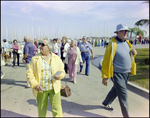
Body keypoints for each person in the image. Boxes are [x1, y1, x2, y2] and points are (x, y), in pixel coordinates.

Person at [101, 24, 137, 117]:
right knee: (123, 95)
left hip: (126, 74)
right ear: (117, 32)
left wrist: (133, 54)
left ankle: (106, 102)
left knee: (116, 90)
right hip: (117, 74)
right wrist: (105, 76)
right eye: (123, 31)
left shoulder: (127, 43)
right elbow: (106, 61)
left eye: (127, 31)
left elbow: (126, 57)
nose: (126, 33)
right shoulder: (112, 44)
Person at [26, 39, 65, 117]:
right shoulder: (35, 59)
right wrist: (35, 84)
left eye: (43, 44)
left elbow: (62, 71)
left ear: (49, 47)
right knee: (42, 111)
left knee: (57, 110)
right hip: (41, 89)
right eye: (40, 44)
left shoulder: (56, 58)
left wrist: (60, 76)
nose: (40, 46)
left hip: (54, 89)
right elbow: (29, 74)